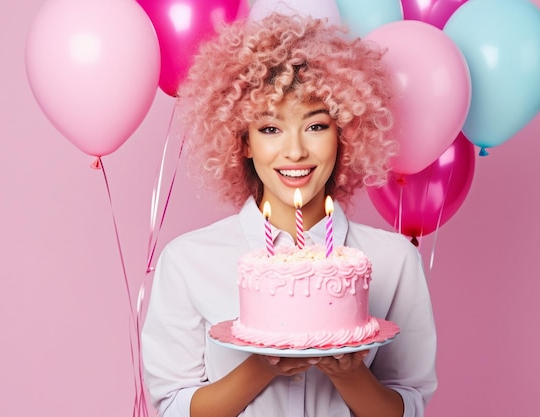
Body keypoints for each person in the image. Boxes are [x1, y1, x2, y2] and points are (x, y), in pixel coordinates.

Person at [141, 12, 437, 417]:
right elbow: (174, 407)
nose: (295, 151)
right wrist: (262, 367)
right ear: (243, 141)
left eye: (316, 126)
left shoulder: (394, 260)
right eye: (270, 129)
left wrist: (349, 375)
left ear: (344, 133)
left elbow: (410, 406)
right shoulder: (187, 261)